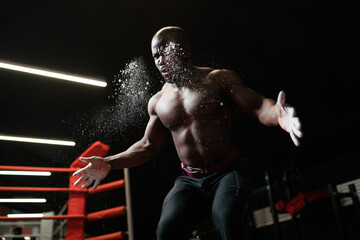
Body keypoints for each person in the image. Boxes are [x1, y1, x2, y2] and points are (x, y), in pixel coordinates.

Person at [73, 26, 303, 240]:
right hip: (190, 180)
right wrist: (109, 162)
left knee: (225, 220)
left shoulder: (218, 80)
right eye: (156, 56)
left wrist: (278, 114)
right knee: (166, 230)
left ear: (186, 50)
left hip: (227, 172)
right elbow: (147, 146)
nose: (161, 60)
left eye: (166, 51)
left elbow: (258, 106)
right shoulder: (158, 102)